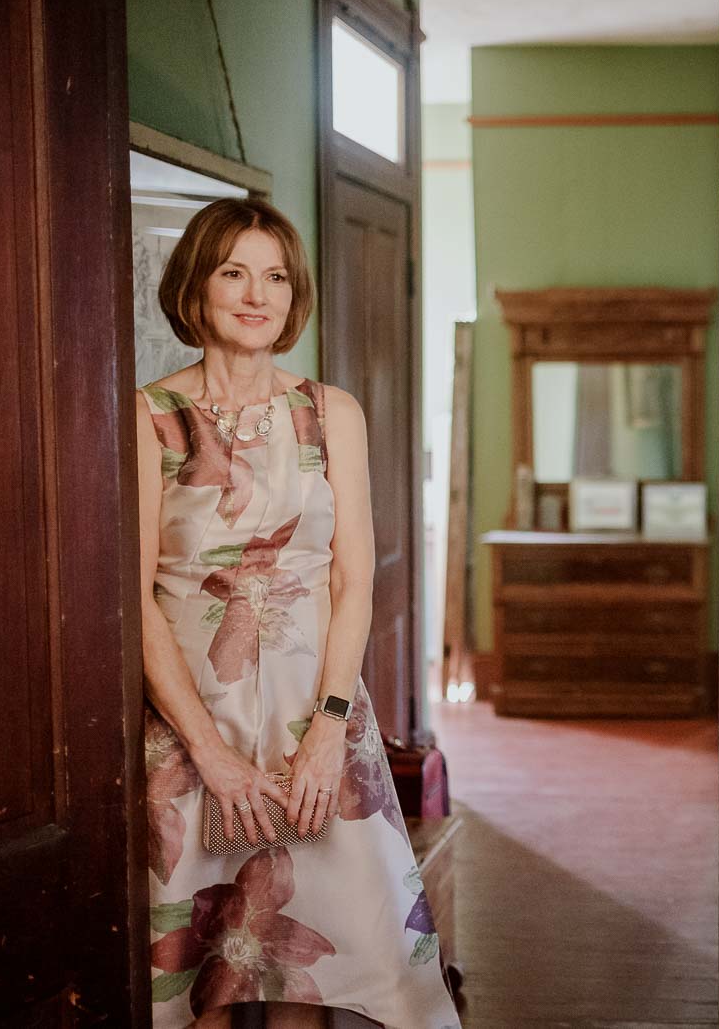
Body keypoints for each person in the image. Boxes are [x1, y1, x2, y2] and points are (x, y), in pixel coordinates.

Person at [134, 198, 459, 1029]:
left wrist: (329, 732)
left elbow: (354, 580)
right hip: (190, 729)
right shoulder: (147, 419)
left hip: (314, 724)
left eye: (275, 275)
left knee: (309, 971)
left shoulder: (330, 412)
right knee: (200, 970)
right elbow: (131, 600)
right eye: (233, 272)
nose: (257, 294)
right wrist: (209, 754)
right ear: (196, 289)